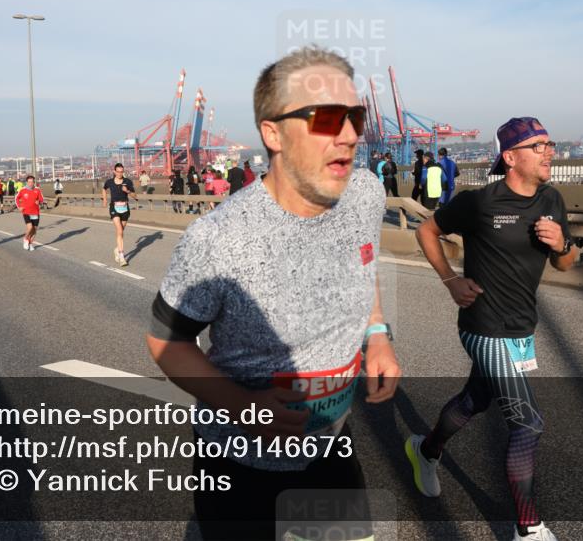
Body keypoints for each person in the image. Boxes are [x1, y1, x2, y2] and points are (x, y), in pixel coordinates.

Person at [147, 47, 400, 541]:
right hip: (241, 462)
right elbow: (165, 343)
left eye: (355, 116)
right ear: (273, 133)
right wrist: (245, 408)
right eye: (327, 118)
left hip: (333, 443)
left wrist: (377, 335)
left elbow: (363, 264)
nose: (349, 133)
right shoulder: (217, 239)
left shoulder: (366, 193)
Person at [406, 116, 576, 541]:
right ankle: (528, 528)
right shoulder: (480, 202)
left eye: (549, 144)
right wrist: (450, 280)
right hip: (483, 325)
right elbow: (427, 230)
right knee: (527, 422)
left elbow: (567, 263)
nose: (549, 152)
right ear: (511, 156)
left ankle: (425, 451)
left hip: (520, 327)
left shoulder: (552, 200)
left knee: (473, 401)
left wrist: (563, 245)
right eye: (538, 146)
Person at [102, 163, 135, 265]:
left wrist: (128, 191)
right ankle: (121, 256)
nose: (120, 173)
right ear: (114, 172)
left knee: (121, 233)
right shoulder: (110, 182)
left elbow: (135, 196)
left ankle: (117, 249)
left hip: (125, 208)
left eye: (122, 172)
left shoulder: (127, 182)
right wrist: (105, 199)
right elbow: (104, 189)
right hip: (114, 208)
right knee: (119, 230)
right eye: (118, 171)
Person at [15, 175, 44, 251]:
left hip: (35, 212)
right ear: (27, 182)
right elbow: (16, 198)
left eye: (32, 182)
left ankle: (30, 244)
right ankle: (25, 239)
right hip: (26, 212)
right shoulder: (22, 190)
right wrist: (19, 207)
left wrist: (39, 202)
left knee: (34, 230)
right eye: (29, 182)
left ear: (34, 182)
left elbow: (41, 200)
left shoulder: (37, 190)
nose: (31, 183)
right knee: (30, 227)